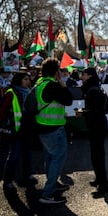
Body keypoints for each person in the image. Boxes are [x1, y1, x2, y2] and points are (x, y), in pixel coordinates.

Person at [0, 72, 37, 192]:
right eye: (25, 79)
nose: (28, 81)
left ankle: (28, 175)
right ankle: (8, 180)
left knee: (27, 154)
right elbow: (1, 113)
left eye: (29, 79)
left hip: (28, 130)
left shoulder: (29, 92)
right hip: (16, 130)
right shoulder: (11, 93)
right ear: (18, 80)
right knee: (14, 155)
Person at [36, 58, 73, 204]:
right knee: (58, 158)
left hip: (43, 126)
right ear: (56, 72)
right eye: (59, 70)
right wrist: (62, 83)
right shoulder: (53, 85)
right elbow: (68, 99)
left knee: (50, 159)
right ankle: (48, 193)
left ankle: (53, 183)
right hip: (53, 128)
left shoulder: (40, 83)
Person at [79, 67, 108, 198]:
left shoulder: (93, 90)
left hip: (97, 125)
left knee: (97, 155)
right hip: (97, 125)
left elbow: (96, 110)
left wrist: (83, 112)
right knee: (96, 154)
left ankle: (103, 184)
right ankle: (99, 179)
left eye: (84, 74)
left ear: (89, 76)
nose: (82, 77)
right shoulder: (95, 88)